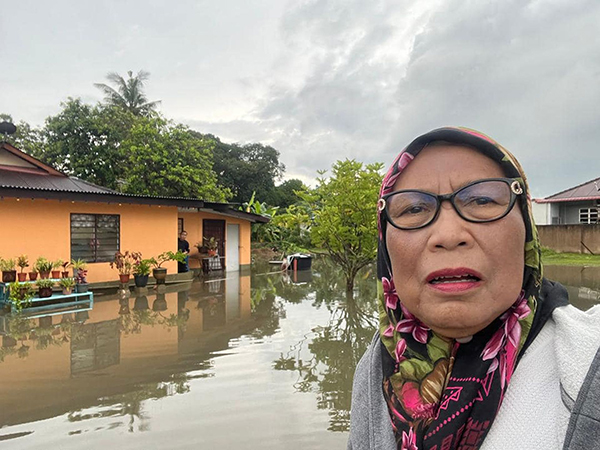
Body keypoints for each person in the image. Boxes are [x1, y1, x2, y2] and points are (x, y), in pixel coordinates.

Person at [347, 127, 600, 450]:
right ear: (385, 244)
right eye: (413, 209)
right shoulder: (375, 368)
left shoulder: (586, 361)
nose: (449, 234)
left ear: (525, 229)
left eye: (482, 200)